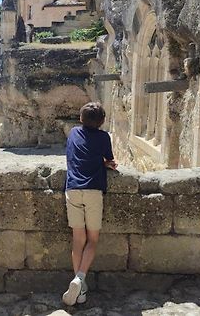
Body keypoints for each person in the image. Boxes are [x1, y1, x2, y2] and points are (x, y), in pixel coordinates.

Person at [62, 102, 117, 306]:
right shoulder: (103, 137)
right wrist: (106, 164)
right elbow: (109, 160)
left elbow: (78, 155)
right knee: (92, 240)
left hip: (73, 190)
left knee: (78, 240)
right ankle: (80, 278)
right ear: (102, 121)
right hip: (93, 190)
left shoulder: (74, 133)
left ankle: (80, 291)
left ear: (80, 119)